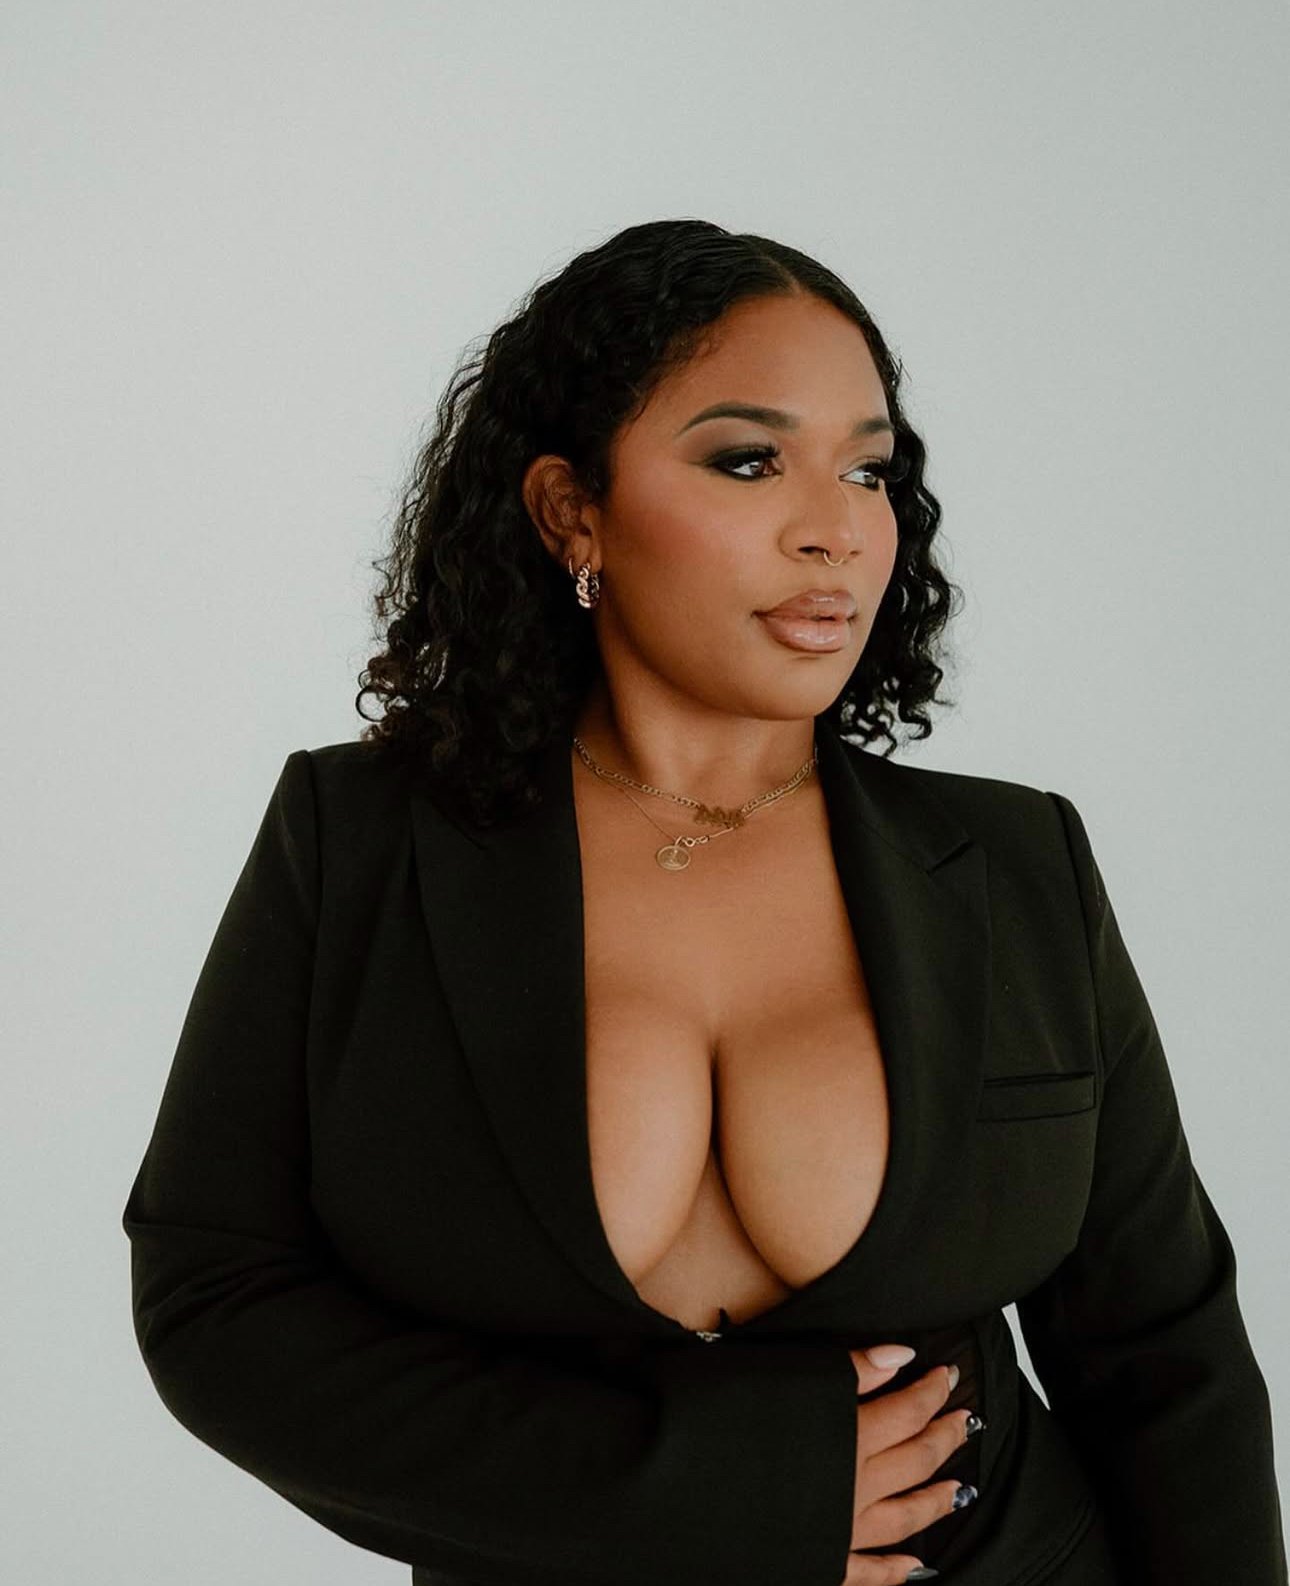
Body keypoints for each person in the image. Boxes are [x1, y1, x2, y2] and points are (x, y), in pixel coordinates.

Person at [122, 218, 1287, 1586]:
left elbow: (1163, 1354)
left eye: (869, 470)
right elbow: (220, 1301)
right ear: (572, 509)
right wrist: (715, 1490)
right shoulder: (364, 841)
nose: (835, 531)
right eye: (748, 460)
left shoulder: (1013, 863)